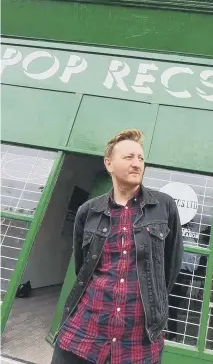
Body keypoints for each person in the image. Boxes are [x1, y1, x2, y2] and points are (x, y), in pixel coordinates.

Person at [51, 129, 183, 364]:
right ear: (109, 163)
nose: (137, 164)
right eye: (129, 157)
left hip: (138, 342)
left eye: (141, 158)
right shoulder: (88, 211)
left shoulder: (164, 207)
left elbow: (169, 270)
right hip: (83, 334)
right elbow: (83, 268)